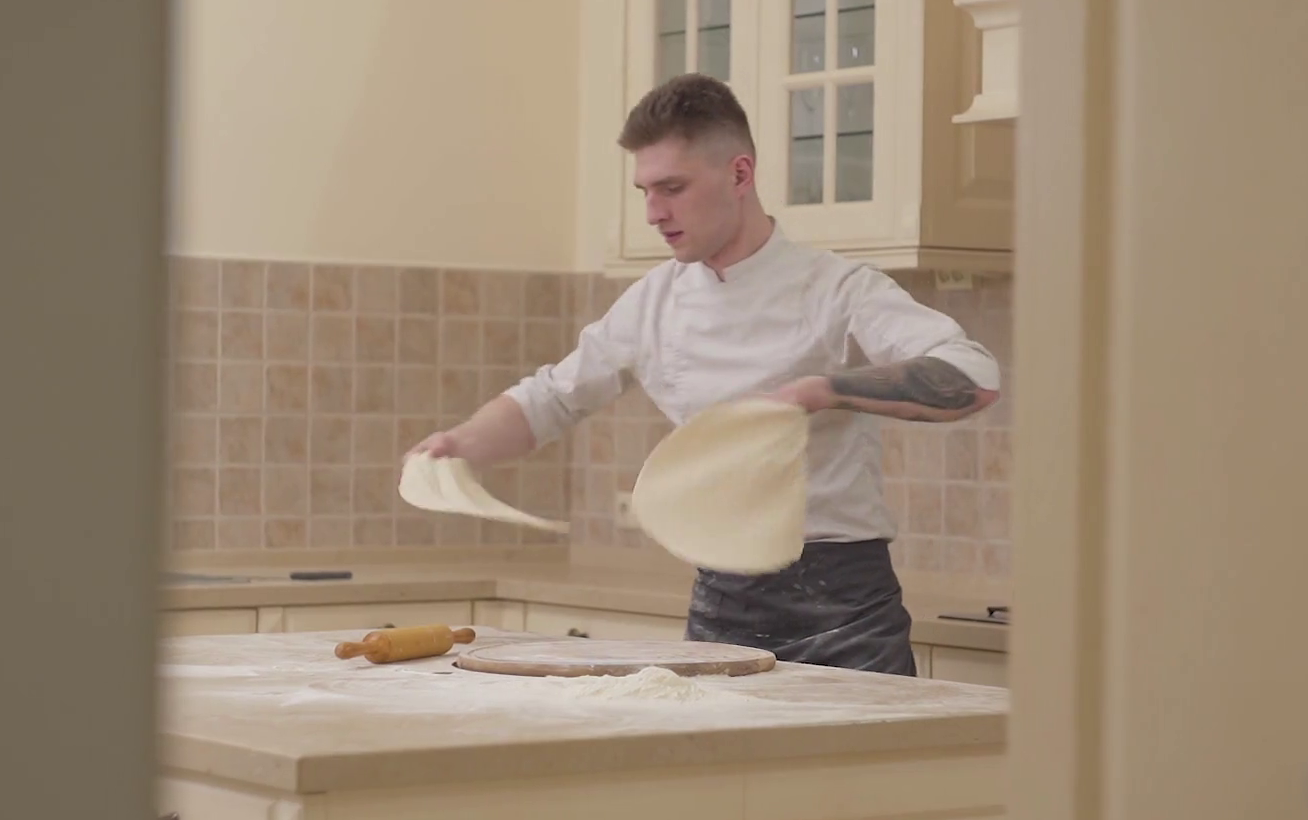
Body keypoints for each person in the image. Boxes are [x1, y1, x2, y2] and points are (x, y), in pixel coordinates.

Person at [409, 74, 999, 675]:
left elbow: (972, 377)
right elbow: (552, 398)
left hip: (846, 612)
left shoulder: (839, 289)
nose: (653, 213)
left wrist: (822, 391)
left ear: (740, 175)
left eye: (672, 188)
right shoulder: (655, 301)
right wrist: (462, 444)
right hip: (721, 607)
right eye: (644, 191)